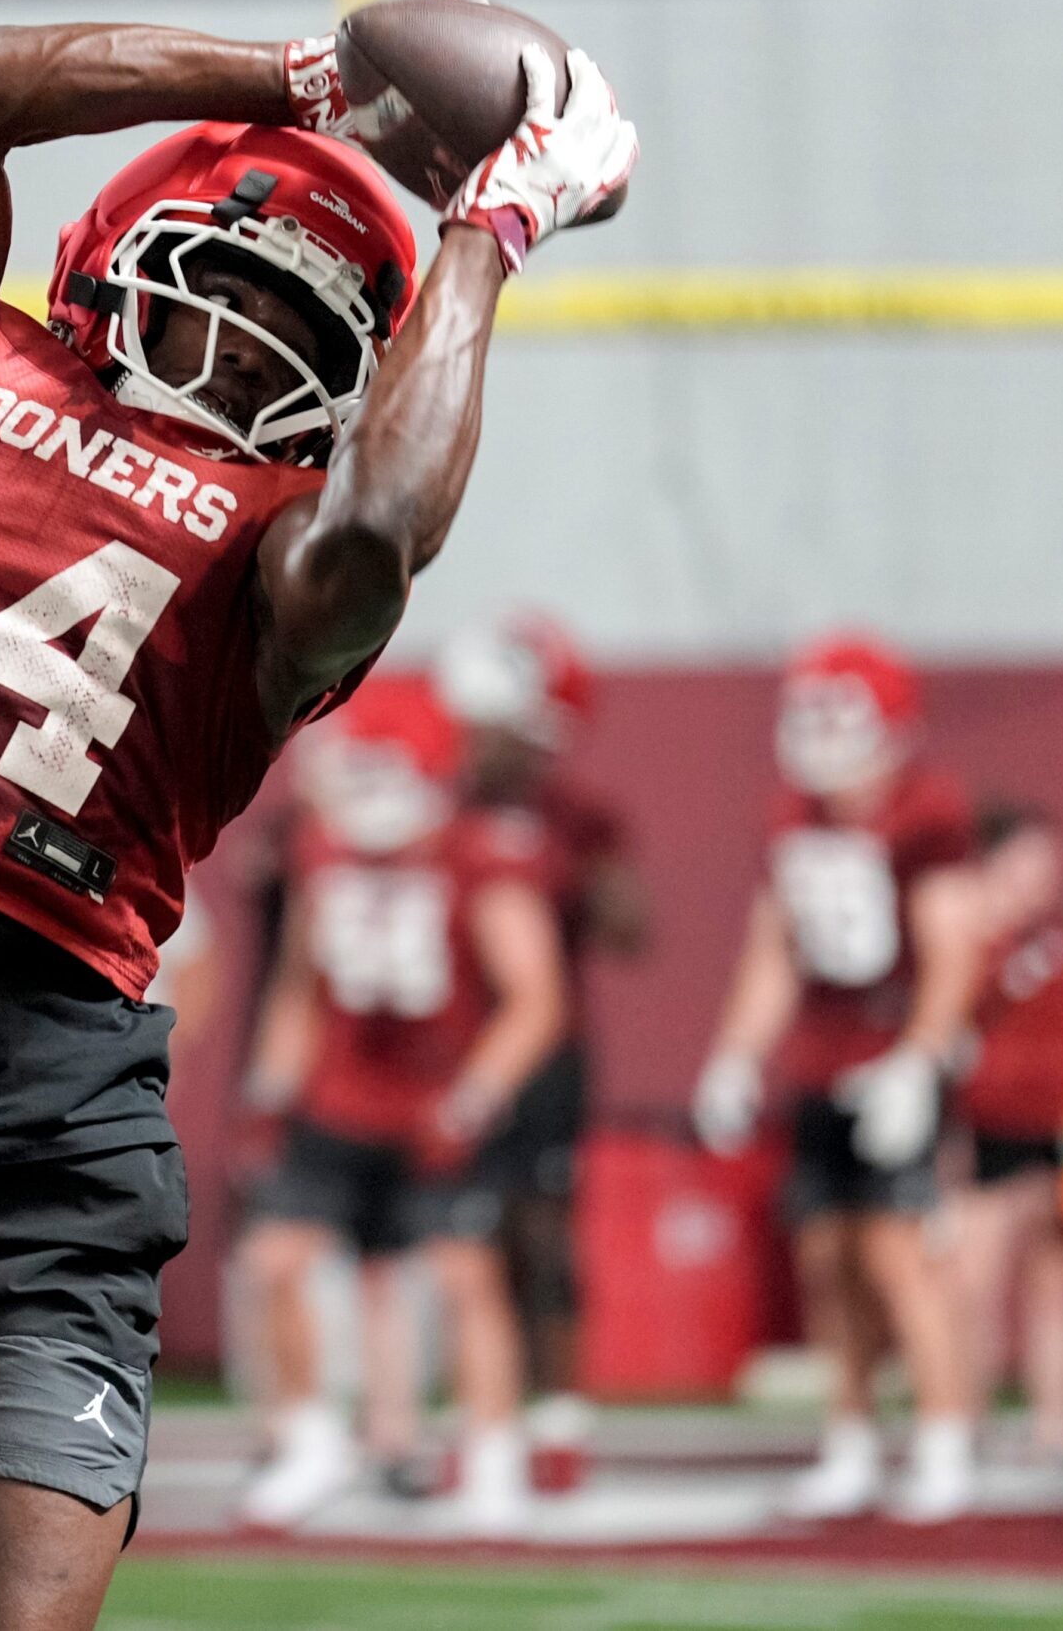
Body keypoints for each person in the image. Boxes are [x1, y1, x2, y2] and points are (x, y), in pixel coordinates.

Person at [0, 8, 634, 1630]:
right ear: (113, 259)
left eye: (303, 332)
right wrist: (298, 83)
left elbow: (385, 526)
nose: (253, 345)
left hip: (35, 1175)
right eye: (230, 287)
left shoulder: (282, 559)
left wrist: (493, 228)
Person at [235, 677, 565, 1535]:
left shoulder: (475, 854)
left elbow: (535, 996)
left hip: (436, 1099)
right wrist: (272, 1086)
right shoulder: (322, 844)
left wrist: (475, 1096)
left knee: (465, 1276)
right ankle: (313, 1439)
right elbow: (301, 982)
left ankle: (494, 1455)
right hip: (341, 1096)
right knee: (275, 1261)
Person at [691, 634, 984, 1524]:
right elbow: (773, 949)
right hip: (822, 1062)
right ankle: (852, 1439)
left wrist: (921, 1060)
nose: (819, 736)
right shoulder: (793, 817)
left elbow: (955, 945)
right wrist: (735, 1054)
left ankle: (943, 1440)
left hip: (894, 1061)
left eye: (838, 715)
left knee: (902, 1261)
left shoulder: (927, 814)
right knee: (827, 1261)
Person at [433, 612, 647, 1488]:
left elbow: (633, 928)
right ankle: (482, 1406)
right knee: (462, 1237)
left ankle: (560, 1411)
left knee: (542, 1234)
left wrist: (572, 870)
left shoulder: (574, 815)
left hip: (544, 1051)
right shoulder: (438, 800)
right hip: (448, 1049)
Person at [948, 801, 1063, 1474]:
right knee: (972, 1282)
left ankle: (1055, 1431)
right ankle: (963, 1422)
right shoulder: (962, 937)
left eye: (1048, 864)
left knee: (1056, 1285)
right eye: (1027, 862)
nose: (1041, 878)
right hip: (986, 1129)